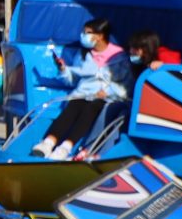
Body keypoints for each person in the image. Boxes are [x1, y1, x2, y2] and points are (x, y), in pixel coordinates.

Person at [33, 16, 137, 160]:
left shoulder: (119, 57)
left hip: (107, 98)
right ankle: (48, 142)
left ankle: (66, 147)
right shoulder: (84, 54)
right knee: (74, 105)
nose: (83, 36)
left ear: (100, 36)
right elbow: (72, 80)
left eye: (88, 33)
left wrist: (108, 92)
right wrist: (64, 69)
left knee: (91, 107)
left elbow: (126, 84)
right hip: (83, 93)